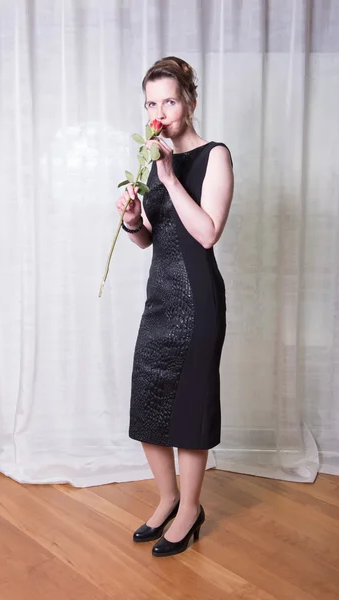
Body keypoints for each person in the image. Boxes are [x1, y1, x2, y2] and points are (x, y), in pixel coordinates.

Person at [116, 56, 234, 557]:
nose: (159, 110)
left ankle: (190, 509)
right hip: (159, 299)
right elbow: (150, 241)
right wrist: (132, 219)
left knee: (187, 411)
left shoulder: (215, 156)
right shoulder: (151, 158)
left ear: (188, 99)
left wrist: (167, 177)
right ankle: (167, 499)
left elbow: (206, 233)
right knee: (149, 402)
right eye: (151, 102)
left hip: (197, 302)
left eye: (168, 99)